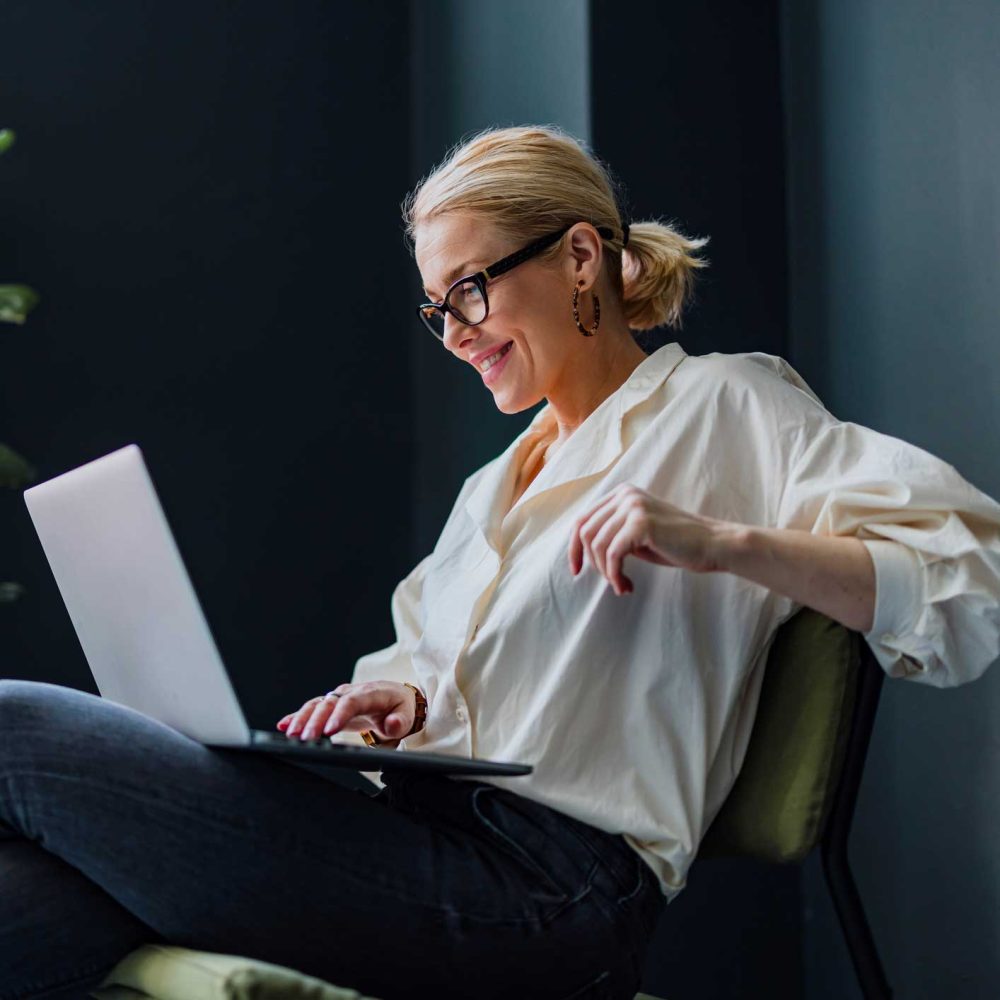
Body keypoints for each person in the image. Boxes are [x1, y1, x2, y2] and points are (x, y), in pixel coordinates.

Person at [2, 124, 999, 1000]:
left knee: (17, 723)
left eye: (470, 290)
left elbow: (970, 583)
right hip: (414, 838)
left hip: (545, 899)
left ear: (578, 256)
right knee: (36, 899)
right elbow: (430, 672)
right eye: (438, 309)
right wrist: (395, 702)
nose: (456, 334)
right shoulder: (492, 488)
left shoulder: (727, 407)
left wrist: (725, 542)